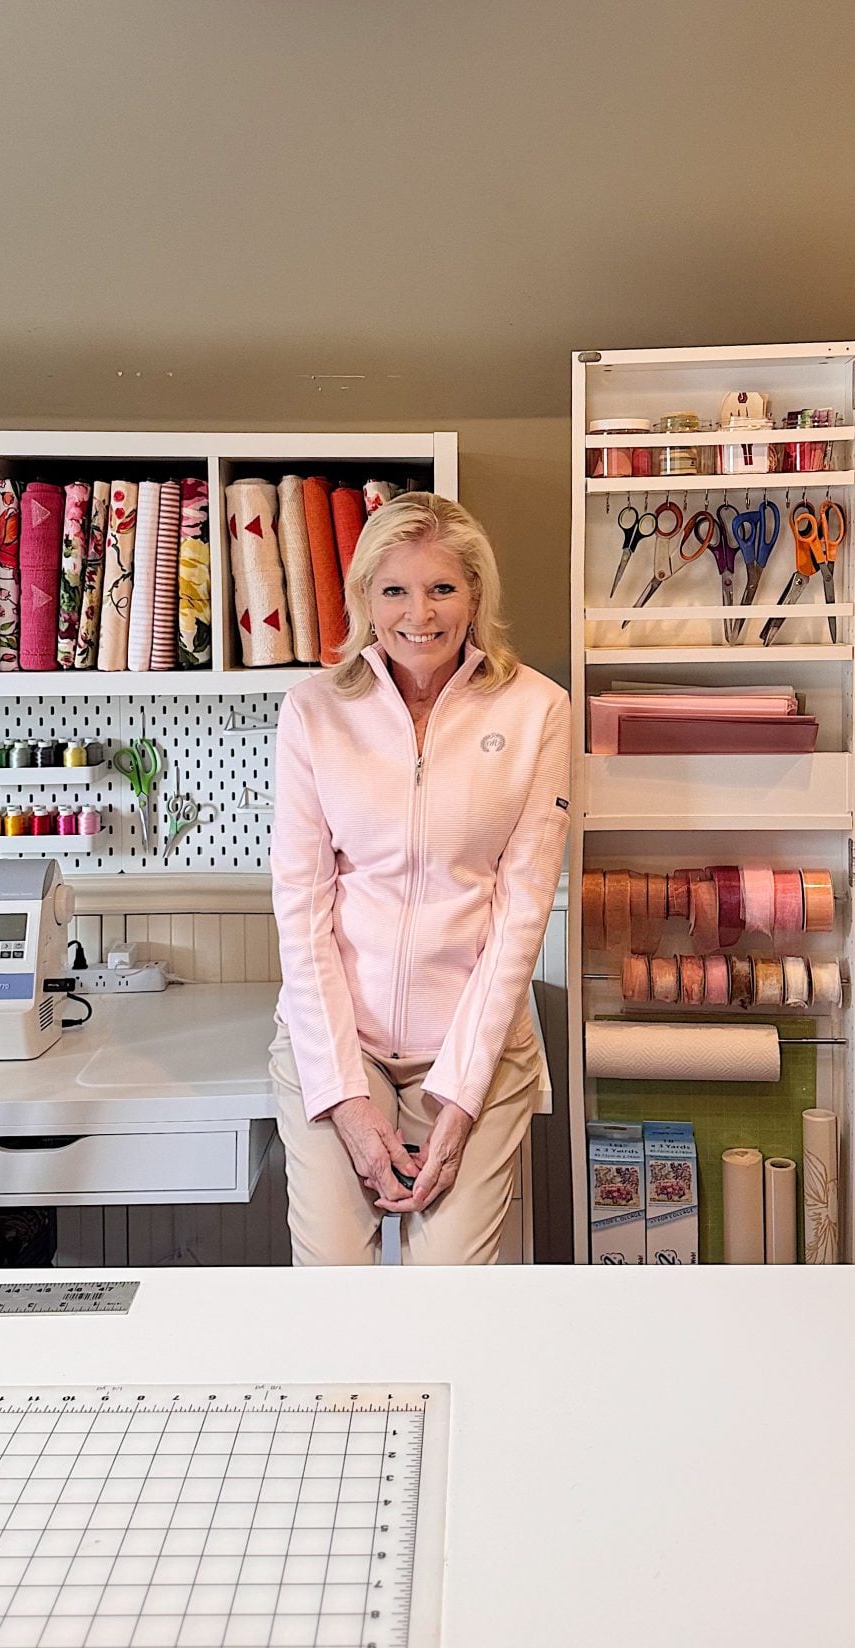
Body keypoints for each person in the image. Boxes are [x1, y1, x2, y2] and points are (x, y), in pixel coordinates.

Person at [269, 491, 569, 1265]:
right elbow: (302, 912)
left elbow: (521, 912)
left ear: (475, 596)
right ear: (366, 597)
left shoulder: (541, 710)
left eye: (443, 588)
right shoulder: (311, 713)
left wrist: (462, 1097)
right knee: (333, 1281)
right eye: (395, 589)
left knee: (448, 1295)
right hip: (340, 1042)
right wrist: (342, 1097)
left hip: (476, 1044)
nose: (419, 614)